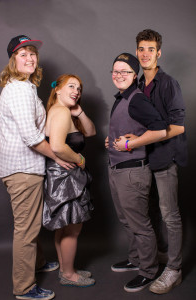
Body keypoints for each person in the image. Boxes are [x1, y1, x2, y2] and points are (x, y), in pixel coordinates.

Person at [0, 35, 71, 300]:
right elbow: (31, 137)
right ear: (12, 60)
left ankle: (37, 263)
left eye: (32, 53)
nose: (30, 58)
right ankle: (24, 288)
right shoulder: (17, 90)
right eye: (23, 54)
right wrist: (59, 156)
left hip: (25, 168)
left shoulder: (25, 87)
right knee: (26, 230)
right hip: (22, 170)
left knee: (29, 223)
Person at [105, 53, 167, 292]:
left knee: (140, 225)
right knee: (126, 220)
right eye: (116, 70)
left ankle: (148, 271)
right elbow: (130, 128)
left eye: (125, 71)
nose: (119, 75)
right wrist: (112, 142)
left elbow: (161, 130)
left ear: (134, 75)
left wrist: (131, 145)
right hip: (116, 168)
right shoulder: (122, 97)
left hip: (132, 173)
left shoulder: (137, 99)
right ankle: (136, 259)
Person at [135, 29, 188, 294]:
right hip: (142, 159)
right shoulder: (136, 84)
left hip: (165, 157)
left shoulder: (168, 84)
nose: (146, 54)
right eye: (141, 49)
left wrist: (141, 139)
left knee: (170, 214)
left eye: (150, 49)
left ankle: (174, 269)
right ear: (137, 52)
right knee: (150, 213)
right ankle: (157, 258)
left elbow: (178, 127)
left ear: (159, 53)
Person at [42, 74, 96, 287]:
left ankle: (66, 269)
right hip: (66, 177)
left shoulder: (62, 111)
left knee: (63, 227)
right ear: (57, 90)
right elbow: (57, 146)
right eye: (71, 86)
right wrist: (79, 158)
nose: (76, 91)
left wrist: (79, 111)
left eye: (79, 88)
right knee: (72, 228)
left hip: (60, 176)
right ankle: (70, 274)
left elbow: (91, 131)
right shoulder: (61, 112)